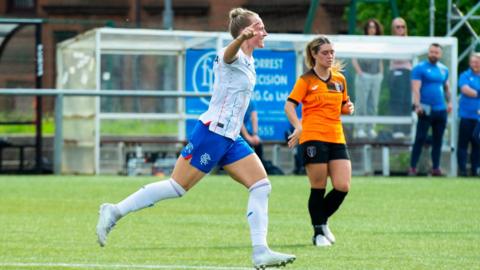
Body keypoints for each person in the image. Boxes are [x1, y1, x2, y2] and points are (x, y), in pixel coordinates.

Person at [95, 8, 296, 269]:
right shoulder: (231, 55)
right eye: (260, 27)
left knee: (261, 186)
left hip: (231, 137)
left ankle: (260, 251)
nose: (265, 31)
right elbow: (227, 54)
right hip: (212, 133)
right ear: (246, 32)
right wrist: (238, 39)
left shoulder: (250, 60)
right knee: (177, 187)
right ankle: (114, 210)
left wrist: (244, 38)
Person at [284, 36, 354, 247]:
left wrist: (348, 108)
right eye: (325, 52)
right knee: (318, 186)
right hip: (313, 136)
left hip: (336, 136)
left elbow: (344, 104)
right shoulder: (305, 80)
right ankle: (318, 234)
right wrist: (298, 126)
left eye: (332, 52)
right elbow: (289, 106)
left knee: (343, 186)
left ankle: (321, 222)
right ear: (314, 54)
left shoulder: (340, 79)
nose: (330, 56)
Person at [409, 43, 452, 176]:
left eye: (436, 52)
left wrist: (449, 102)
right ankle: (412, 167)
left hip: (441, 110)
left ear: (440, 54)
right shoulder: (419, 68)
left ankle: (436, 168)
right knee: (420, 138)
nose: (433, 54)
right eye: (431, 52)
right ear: (428, 53)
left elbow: (446, 88)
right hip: (425, 109)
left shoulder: (444, 69)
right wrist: (417, 105)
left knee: (438, 140)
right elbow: (416, 88)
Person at [352, 18, 384, 139]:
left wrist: (381, 74)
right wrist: (360, 72)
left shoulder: (379, 42)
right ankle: (359, 128)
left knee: (373, 103)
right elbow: (354, 58)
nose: (372, 29)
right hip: (363, 75)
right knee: (361, 103)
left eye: (374, 27)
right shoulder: (361, 41)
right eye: (370, 27)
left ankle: (370, 128)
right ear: (366, 29)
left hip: (376, 76)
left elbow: (380, 59)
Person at [457, 53, 480, 177]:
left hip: (479, 118)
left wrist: (475, 92)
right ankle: (462, 170)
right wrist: (477, 93)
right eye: (473, 62)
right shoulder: (465, 75)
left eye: (477, 62)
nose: (475, 64)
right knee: (463, 143)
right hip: (466, 116)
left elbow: (473, 91)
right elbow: (465, 90)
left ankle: (475, 169)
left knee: (477, 143)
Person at [389, 17, 412, 139]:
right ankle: (397, 129)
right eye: (398, 27)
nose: (401, 29)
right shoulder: (391, 41)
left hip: (408, 72)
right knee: (397, 101)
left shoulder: (409, 40)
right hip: (396, 73)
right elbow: (397, 58)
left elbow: (410, 58)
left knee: (407, 101)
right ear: (393, 28)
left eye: (403, 26)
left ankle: (407, 129)